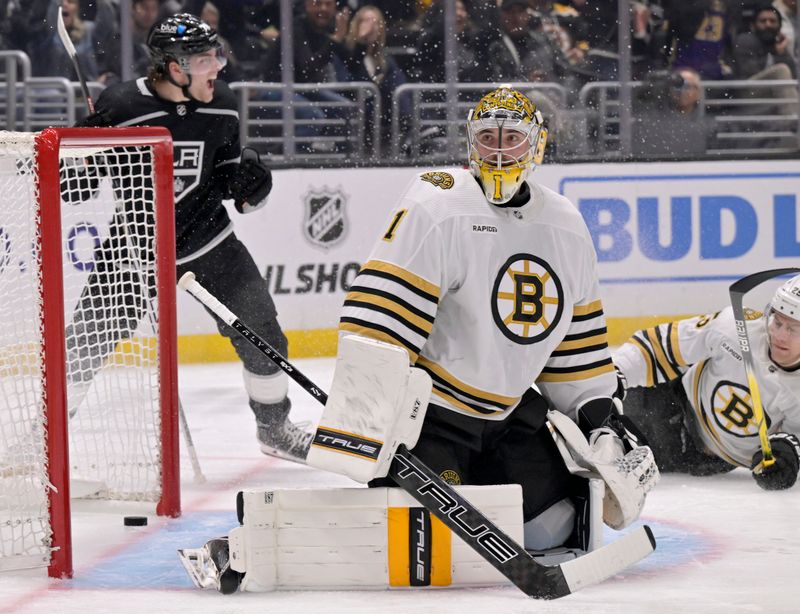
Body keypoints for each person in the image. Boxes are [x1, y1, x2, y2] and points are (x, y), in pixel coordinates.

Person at [337, 86, 659, 554]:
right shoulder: (438, 202)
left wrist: (602, 421)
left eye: (513, 138)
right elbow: (379, 317)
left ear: (537, 146)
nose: (500, 150)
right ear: (470, 143)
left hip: (510, 416)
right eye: (488, 137)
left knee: (557, 527)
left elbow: (577, 352)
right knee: (427, 544)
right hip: (432, 416)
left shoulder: (565, 224)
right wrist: (366, 418)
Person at [63, 13, 311, 463]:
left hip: (209, 242)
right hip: (135, 247)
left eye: (216, 54)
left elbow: (229, 180)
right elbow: (73, 190)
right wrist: (81, 154)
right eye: (204, 59)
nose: (218, 66)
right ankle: (49, 438)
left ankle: (275, 429)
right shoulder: (121, 107)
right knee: (82, 345)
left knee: (263, 331)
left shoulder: (223, 105)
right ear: (175, 68)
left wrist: (253, 185)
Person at [612, 274, 800, 490]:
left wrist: (786, 457)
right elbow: (656, 345)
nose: (779, 335)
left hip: (704, 459)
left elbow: (793, 443)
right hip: (669, 403)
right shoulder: (735, 328)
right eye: (777, 321)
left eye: (793, 329)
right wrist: (615, 372)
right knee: (596, 426)